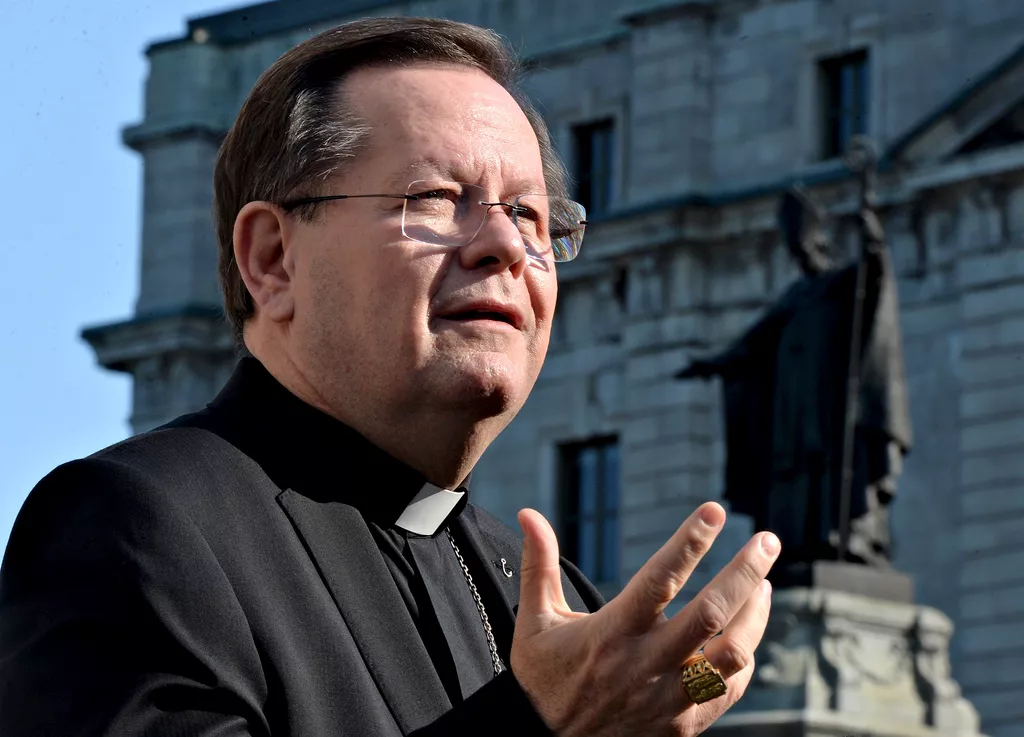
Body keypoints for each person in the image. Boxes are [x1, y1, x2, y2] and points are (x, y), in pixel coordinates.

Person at [0, 17, 779, 736]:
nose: (506, 246)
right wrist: (540, 724)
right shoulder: (134, 526)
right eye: (437, 199)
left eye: (531, 216)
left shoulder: (547, 591)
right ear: (273, 258)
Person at [677, 186, 911, 568]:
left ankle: (841, 537)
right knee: (793, 469)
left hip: (830, 403)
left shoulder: (844, 284)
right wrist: (712, 364)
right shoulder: (795, 296)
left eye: (804, 248)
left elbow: (875, 281)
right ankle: (798, 542)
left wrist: (874, 242)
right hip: (792, 406)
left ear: (819, 244)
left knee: (830, 466)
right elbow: (754, 343)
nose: (800, 257)